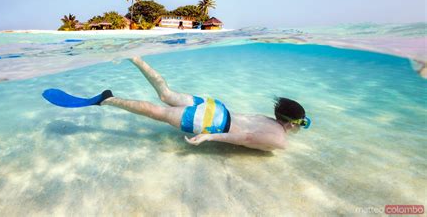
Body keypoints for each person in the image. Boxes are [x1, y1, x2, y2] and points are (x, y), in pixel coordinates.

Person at [98, 57, 311, 152]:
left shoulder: (267, 120)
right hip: (211, 123)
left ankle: (135, 58)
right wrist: (208, 136)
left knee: (166, 94)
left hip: (216, 108)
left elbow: (245, 128)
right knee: (159, 112)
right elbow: (243, 138)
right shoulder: (280, 139)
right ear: (292, 123)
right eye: (302, 123)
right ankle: (108, 99)